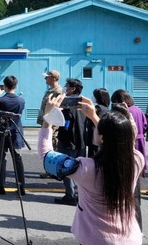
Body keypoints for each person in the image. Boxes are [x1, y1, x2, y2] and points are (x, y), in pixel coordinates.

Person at [39, 95, 143, 245]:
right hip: (131, 241)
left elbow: (45, 154)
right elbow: (119, 138)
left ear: (101, 137)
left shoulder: (86, 168)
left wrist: (47, 119)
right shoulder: (136, 160)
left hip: (97, 242)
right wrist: (94, 116)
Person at [110, 88, 148, 229]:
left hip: (128, 146)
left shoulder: (125, 112)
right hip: (139, 144)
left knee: (128, 193)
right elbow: (144, 126)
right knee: (135, 189)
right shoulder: (138, 109)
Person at [54, 78, 86, 206]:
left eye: (67, 86)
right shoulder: (84, 102)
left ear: (73, 88)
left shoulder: (68, 103)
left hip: (68, 141)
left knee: (66, 168)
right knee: (79, 169)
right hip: (81, 140)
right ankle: (79, 194)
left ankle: (70, 195)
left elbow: (62, 122)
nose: (65, 88)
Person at [0, 75, 26, 196]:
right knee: (18, 160)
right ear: (16, 86)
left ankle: (0, 185)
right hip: (16, 132)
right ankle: (21, 186)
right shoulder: (21, 100)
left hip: (3, 132)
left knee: (1, 159)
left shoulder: (1, 100)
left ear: (5, 86)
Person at [37, 70, 62, 178]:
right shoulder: (51, 90)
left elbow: (56, 108)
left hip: (51, 123)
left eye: (47, 77)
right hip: (46, 121)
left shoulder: (58, 91)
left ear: (53, 78)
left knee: (51, 147)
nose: (45, 79)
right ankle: (51, 170)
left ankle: (52, 171)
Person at [86, 88, 110, 158]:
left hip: (94, 138)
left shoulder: (98, 108)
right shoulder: (106, 108)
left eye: (94, 95)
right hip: (102, 138)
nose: (92, 97)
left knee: (93, 157)